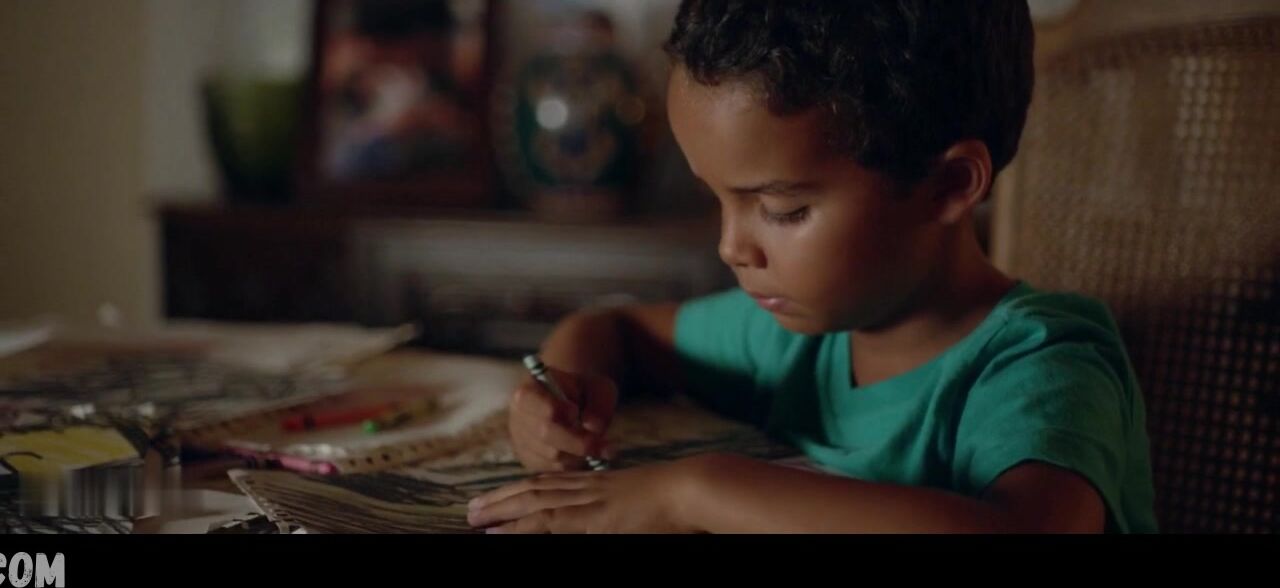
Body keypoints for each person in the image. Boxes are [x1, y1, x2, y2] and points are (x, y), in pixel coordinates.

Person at [467, 0, 1158, 534]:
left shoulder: (1041, 365)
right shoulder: (796, 336)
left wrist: (697, 491)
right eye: (718, 199)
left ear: (949, 186)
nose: (732, 247)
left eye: (783, 209)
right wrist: (563, 395)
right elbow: (612, 328)